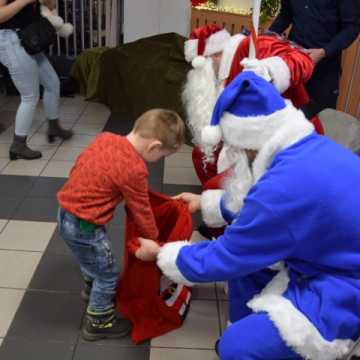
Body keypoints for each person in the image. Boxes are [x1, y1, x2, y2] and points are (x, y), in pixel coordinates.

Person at [140, 72, 360, 359]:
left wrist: (164, 254)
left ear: (251, 141)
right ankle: (249, 327)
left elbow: (228, 255)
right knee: (252, 267)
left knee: (236, 347)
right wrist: (208, 203)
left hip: (343, 288)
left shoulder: (282, 187)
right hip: (331, 257)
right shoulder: (309, 149)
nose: (236, 156)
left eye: (237, 149)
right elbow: (271, 210)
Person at [57, 109, 185, 341]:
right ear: (154, 147)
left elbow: (82, 167)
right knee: (108, 274)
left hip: (66, 212)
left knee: (90, 257)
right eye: (163, 155)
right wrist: (153, 238)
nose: (160, 159)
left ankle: (90, 283)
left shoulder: (106, 138)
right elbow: (141, 208)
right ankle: (98, 320)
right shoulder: (134, 168)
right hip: (85, 225)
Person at [183, 24, 323, 193]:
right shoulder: (224, 71)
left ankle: (234, 207)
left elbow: (302, 60)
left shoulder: (252, 48)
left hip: (291, 137)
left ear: (215, 55)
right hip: (253, 137)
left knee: (214, 188)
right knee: (201, 156)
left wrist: (268, 71)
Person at [0, 0, 73, 160]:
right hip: (10, 40)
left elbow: (51, 5)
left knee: (52, 83)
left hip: (28, 38)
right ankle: (18, 145)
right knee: (30, 96)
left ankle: (54, 127)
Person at [269, 0, 360, 112]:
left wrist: (324, 51)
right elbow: (285, 15)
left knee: (319, 120)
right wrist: (266, 38)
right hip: (294, 65)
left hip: (324, 70)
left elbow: (351, 28)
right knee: (287, 117)